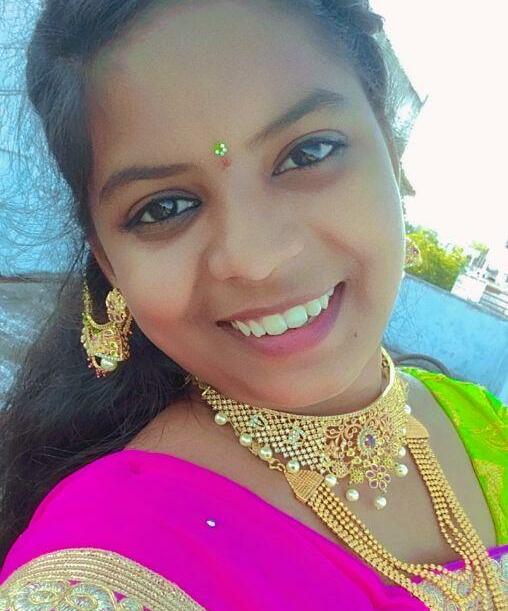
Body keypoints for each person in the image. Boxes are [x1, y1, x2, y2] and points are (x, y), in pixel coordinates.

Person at [0, 1, 506, 609]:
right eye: (164, 208)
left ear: (391, 152)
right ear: (110, 264)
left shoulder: (483, 422)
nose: (256, 258)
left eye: (308, 153)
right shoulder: (102, 568)